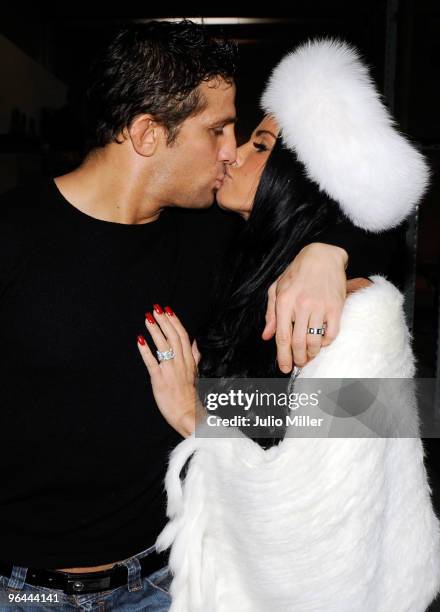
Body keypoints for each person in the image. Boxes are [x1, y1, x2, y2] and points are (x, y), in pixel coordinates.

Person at [0, 22, 392, 611]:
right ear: (147, 134)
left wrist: (329, 251)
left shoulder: (214, 238)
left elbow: (375, 409)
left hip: (167, 582)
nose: (231, 149)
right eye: (217, 130)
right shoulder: (12, 237)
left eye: (244, 136)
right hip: (22, 591)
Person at [137, 40, 440, 611]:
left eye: (259, 143)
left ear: (302, 177)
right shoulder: (237, 258)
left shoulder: (360, 316)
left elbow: (313, 527)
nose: (230, 154)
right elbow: (279, 409)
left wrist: (192, 414)